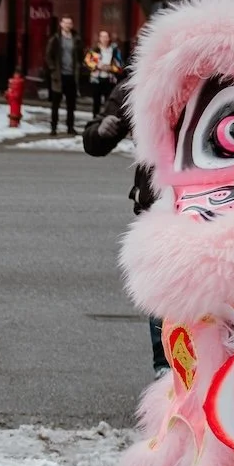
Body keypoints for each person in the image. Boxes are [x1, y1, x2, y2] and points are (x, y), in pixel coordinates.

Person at [81, 72, 164, 372]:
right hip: (158, 206)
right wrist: (102, 131)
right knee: (163, 291)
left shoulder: (218, 76)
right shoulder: (142, 81)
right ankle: (166, 368)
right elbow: (94, 141)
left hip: (213, 204)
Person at [43, 15, 80, 135]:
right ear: (61, 24)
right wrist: (53, 69)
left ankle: (70, 127)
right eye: (65, 23)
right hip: (58, 76)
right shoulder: (55, 38)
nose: (67, 25)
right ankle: (53, 127)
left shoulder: (76, 39)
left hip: (71, 75)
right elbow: (48, 55)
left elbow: (80, 55)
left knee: (71, 104)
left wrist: (79, 67)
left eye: (69, 23)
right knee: (55, 104)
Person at [84, 29, 124, 119]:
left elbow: (120, 65)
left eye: (106, 37)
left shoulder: (113, 50)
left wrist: (110, 68)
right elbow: (87, 62)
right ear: (99, 38)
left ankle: (105, 120)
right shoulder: (95, 49)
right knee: (96, 102)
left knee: (108, 102)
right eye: (102, 37)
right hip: (96, 79)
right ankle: (95, 120)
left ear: (109, 38)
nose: (104, 39)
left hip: (109, 79)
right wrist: (97, 66)